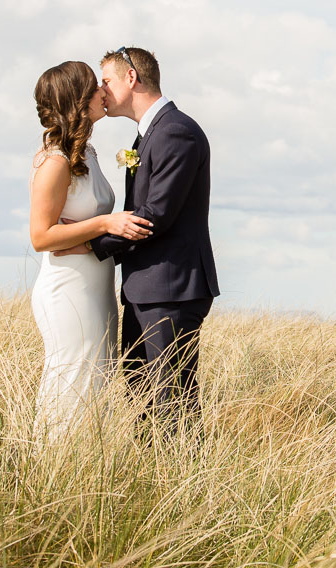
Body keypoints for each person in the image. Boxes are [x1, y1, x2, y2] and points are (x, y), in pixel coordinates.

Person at [87, 46, 220, 431]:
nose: (102, 91)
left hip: (171, 289)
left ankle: (183, 484)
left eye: (107, 81)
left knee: (170, 404)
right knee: (141, 397)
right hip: (149, 288)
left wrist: (90, 245)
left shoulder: (176, 131)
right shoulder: (148, 135)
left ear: (131, 78)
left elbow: (155, 215)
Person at [27, 60, 153, 438]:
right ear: (77, 100)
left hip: (95, 286)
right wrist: (102, 224)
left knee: (96, 379)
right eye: (94, 85)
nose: (103, 90)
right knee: (71, 379)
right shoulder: (55, 162)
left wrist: (86, 237)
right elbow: (41, 237)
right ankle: (52, 469)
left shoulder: (88, 153)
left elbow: (73, 230)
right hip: (68, 290)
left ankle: (82, 474)